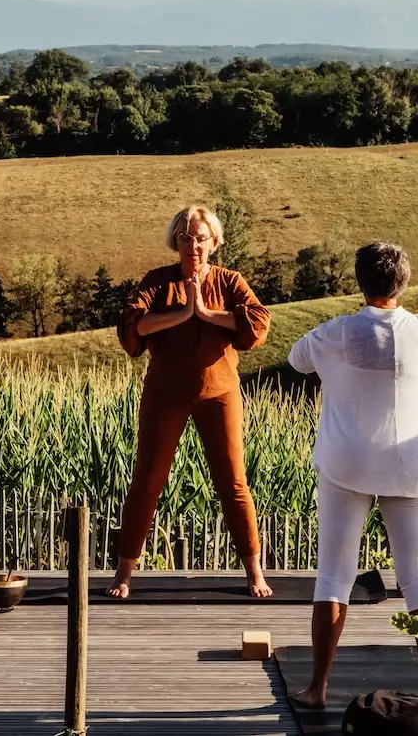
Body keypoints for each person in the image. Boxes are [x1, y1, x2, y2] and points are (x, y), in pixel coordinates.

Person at [286, 242, 418, 709]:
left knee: (334, 577)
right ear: (404, 282)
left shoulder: (338, 332)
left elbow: (296, 359)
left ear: (360, 283)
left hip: (348, 465)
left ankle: (318, 688)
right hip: (411, 465)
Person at [111, 205, 273, 599]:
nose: (193, 245)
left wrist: (205, 312)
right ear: (176, 243)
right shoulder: (159, 281)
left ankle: (255, 572)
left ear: (214, 242)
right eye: (185, 238)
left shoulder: (230, 281)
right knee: (148, 481)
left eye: (201, 238)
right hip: (165, 394)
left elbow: (256, 323)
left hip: (219, 393)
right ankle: (123, 573)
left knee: (233, 483)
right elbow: (134, 325)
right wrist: (184, 312)